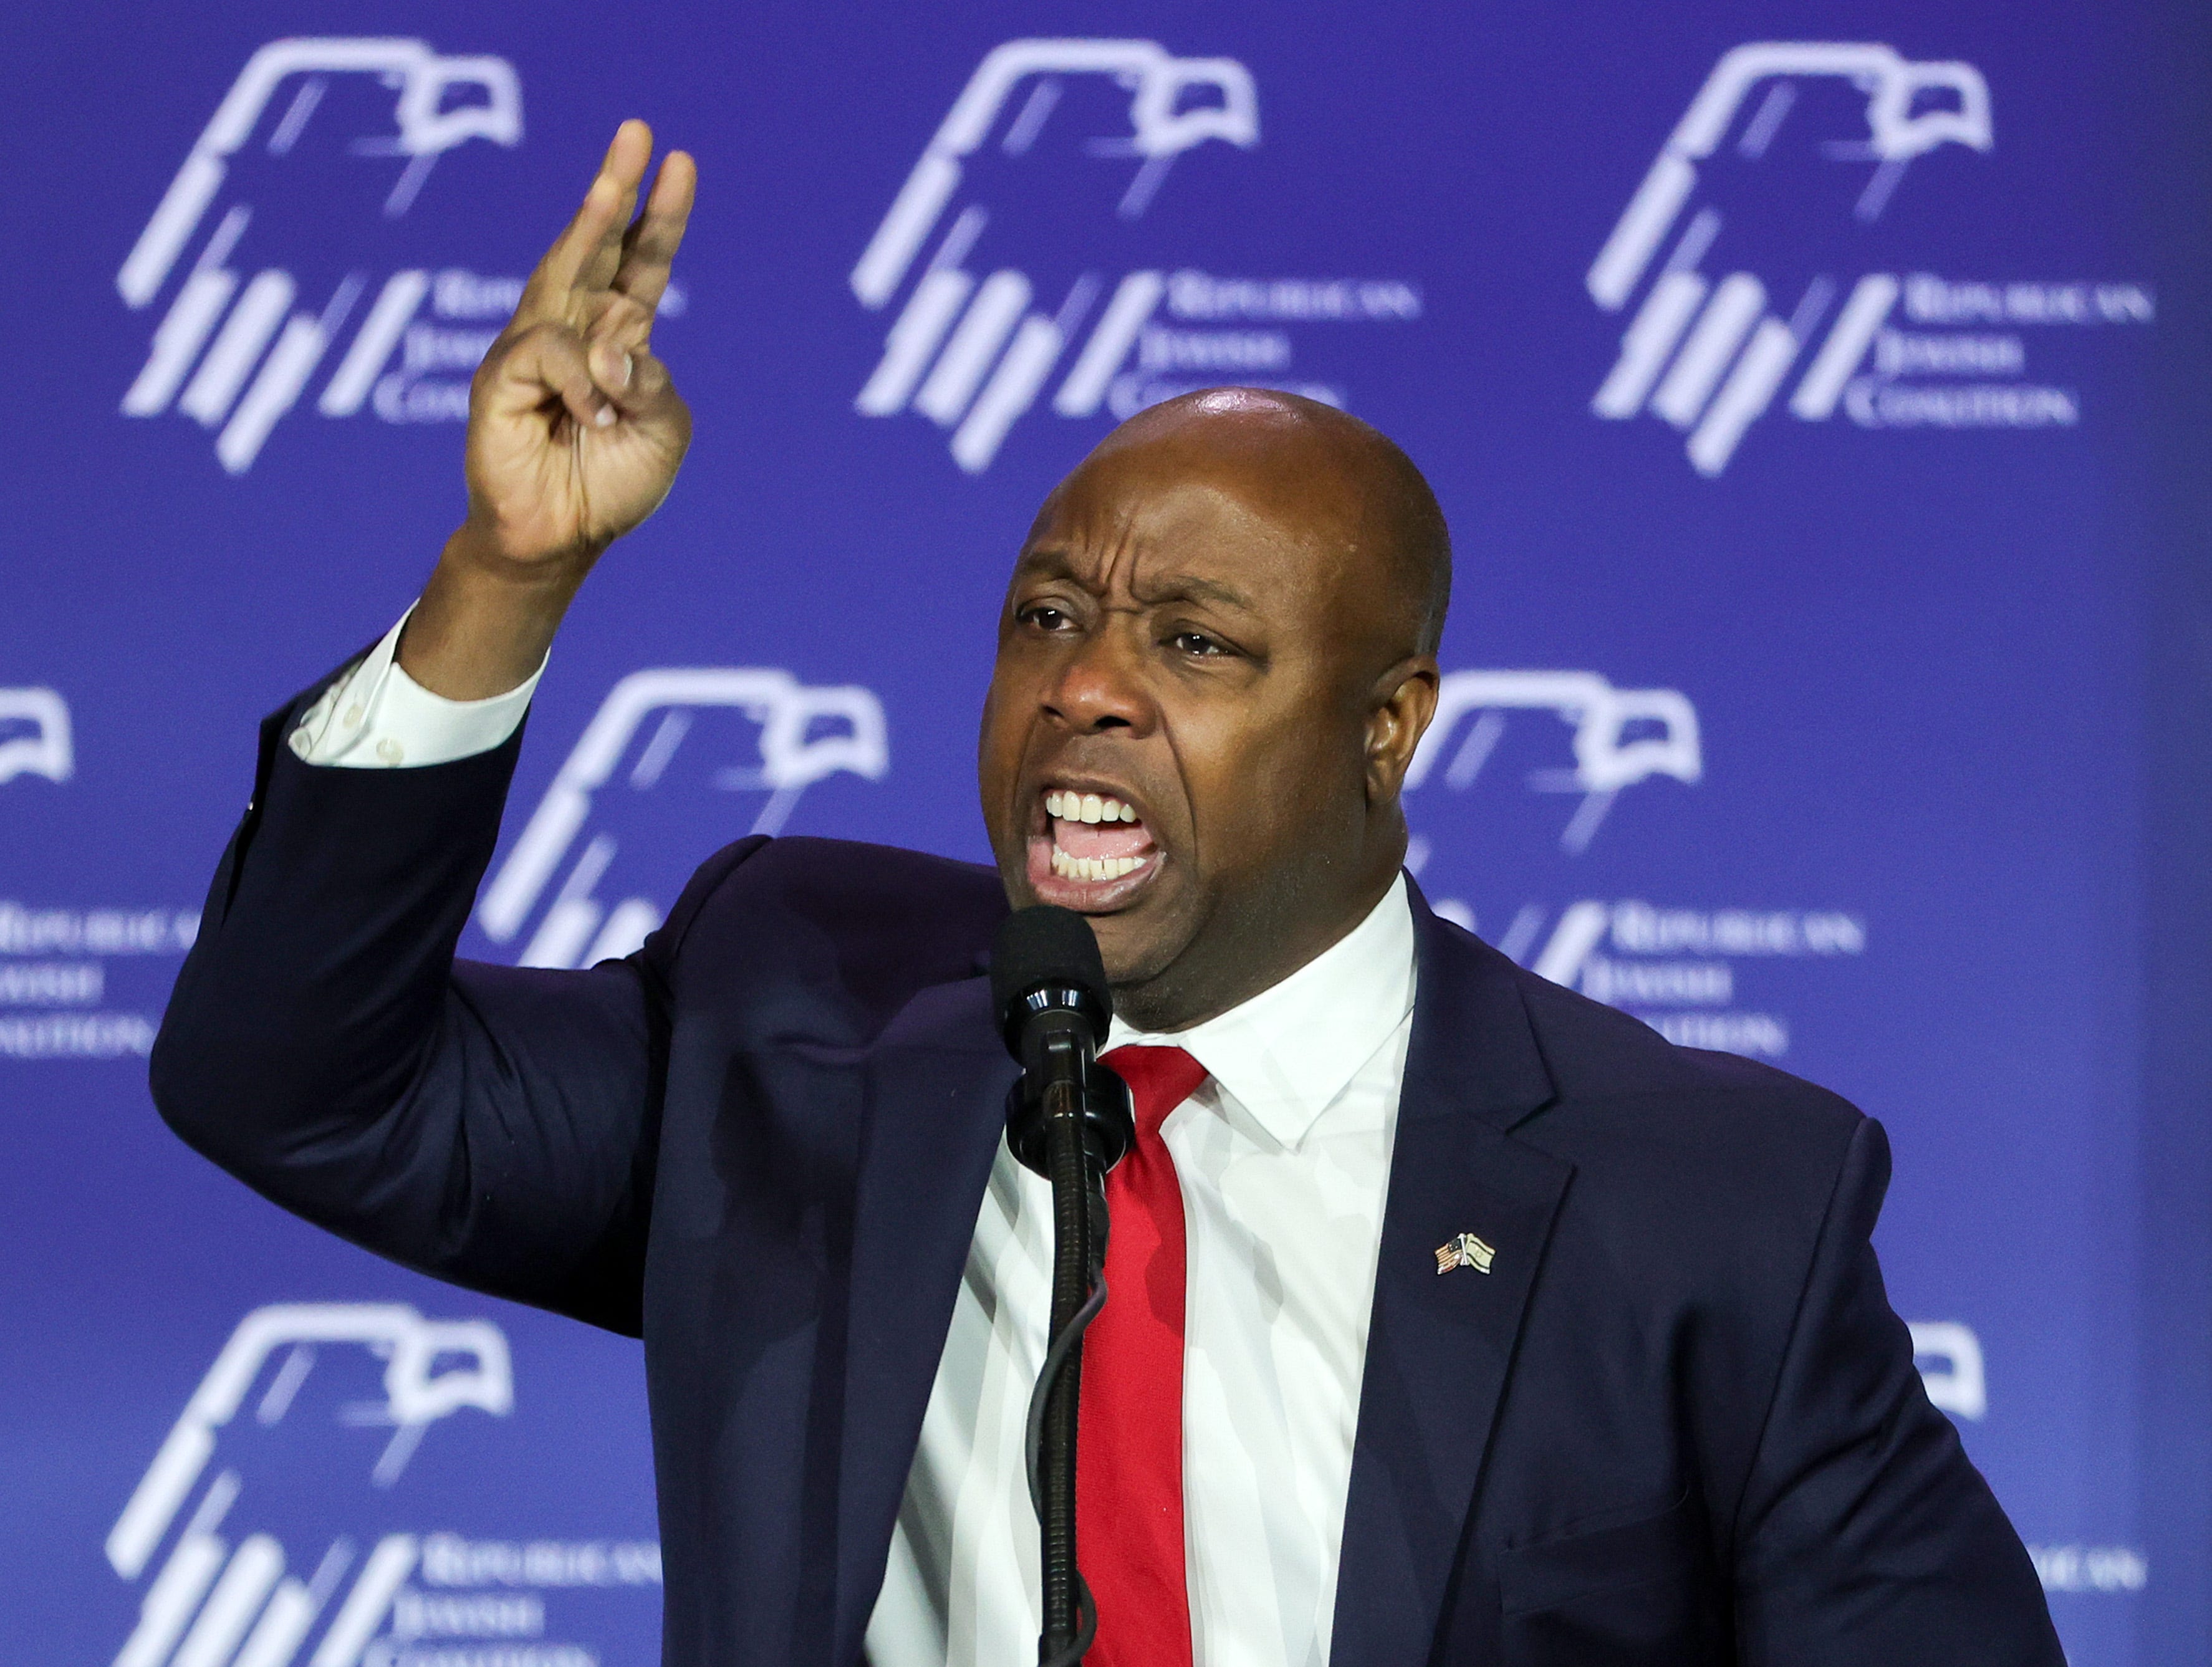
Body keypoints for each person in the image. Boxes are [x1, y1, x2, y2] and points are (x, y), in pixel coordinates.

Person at [151, 122, 2062, 1667]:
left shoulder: (1705, 1201)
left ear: (1387, 726)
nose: (1084, 683)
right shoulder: (794, 1019)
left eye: (1196, 643)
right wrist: (509, 576)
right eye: (1048, 618)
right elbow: (288, 1078)